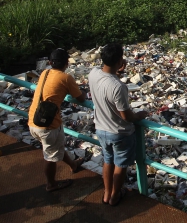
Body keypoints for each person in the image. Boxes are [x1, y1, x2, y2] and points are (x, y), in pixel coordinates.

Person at [89, 43, 148, 206]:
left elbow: (105, 81)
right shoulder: (118, 86)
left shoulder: (93, 74)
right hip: (119, 133)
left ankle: (106, 194)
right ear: (119, 61)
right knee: (120, 164)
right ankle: (115, 196)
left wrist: (117, 72)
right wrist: (139, 116)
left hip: (100, 128)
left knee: (108, 161)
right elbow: (126, 116)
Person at [28, 48, 86, 192]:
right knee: (50, 156)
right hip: (48, 126)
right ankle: (51, 184)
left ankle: (73, 165)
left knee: (57, 146)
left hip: (33, 120)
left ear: (50, 62)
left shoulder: (45, 73)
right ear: (67, 63)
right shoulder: (66, 78)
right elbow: (81, 98)